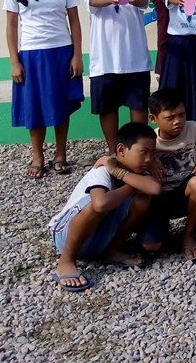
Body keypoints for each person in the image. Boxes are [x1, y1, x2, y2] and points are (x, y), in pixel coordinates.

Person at [4, 0, 84, 179]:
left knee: (61, 104)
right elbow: (11, 26)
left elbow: (75, 23)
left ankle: (61, 154)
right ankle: (37, 156)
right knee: (34, 106)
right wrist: (15, 61)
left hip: (61, 53)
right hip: (31, 55)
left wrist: (77, 55)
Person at [48, 122, 160, 292]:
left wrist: (120, 174)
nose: (149, 160)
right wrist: (131, 185)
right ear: (121, 150)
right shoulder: (101, 171)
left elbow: (154, 188)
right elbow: (100, 204)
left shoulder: (131, 171)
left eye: (152, 154)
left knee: (143, 199)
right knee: (96, 204)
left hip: (100, 242)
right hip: (65, 236)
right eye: (143, 152)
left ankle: (113, 251)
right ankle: (66, 261)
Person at [82, 0, 151, 154]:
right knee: (108, 108)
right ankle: (114, 151)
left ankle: (139, 150)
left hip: (135, 61)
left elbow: (143, 0)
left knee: (139, 106)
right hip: (105, 62)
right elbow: (93, 0)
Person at [140, 88, 196, 263]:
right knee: (151, 247)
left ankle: (188, 235)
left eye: (181, 114)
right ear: (153, 119)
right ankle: (160, 230)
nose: (178, 121)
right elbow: (120, 159)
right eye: (170, 118)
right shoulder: (148, 142)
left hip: (186, 193)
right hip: (158, 197)